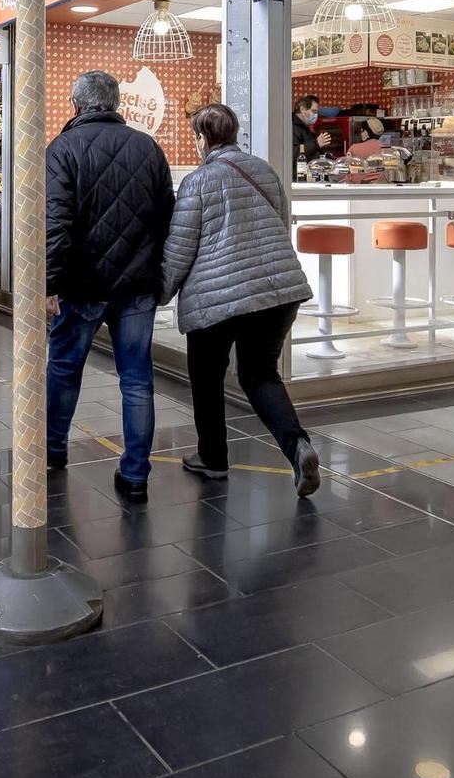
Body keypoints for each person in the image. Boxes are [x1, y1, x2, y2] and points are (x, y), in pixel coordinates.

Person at [161, 104, 321, 499]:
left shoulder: (197, 182)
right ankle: (298, 446)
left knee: (207, 378)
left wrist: (160, 292)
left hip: (218, 299)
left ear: (202, 138)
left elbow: (180, 248)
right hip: (278, 291)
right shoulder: (264, 170)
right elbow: (282, 223)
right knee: (260, 374)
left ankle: (212, 459)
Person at [45, 70, 174, 503]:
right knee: (137, 379)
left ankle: (52, 451)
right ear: (116, 104)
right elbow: (166, 219)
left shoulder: (63, 149)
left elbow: (56, 224)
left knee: (64, 370)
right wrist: (160, 275)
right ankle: (136, 475)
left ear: (76, 105)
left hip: (81, 286)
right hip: (137, 286)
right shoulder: (148, 148)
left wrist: (47, 282)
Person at [293, 95, 335, 166]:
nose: (316, 115)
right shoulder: (292, 127)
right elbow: (293, 153)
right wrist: (316, 144)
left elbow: (315, 153)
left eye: (317, 112)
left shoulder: (305, 128)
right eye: (313, 111)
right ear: (302, 109)